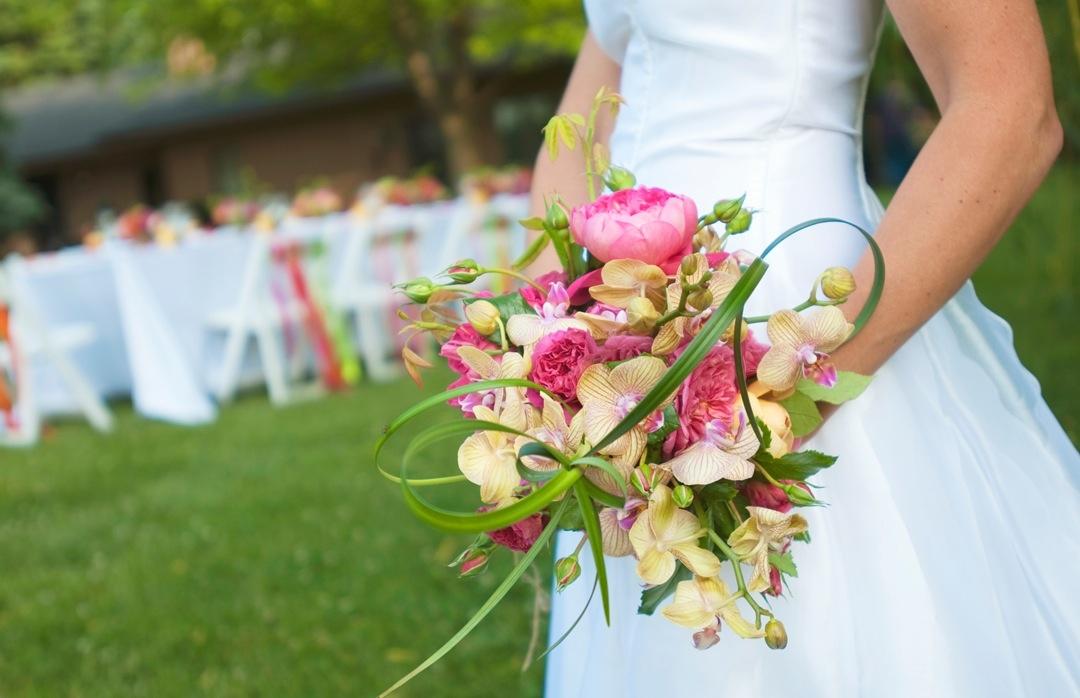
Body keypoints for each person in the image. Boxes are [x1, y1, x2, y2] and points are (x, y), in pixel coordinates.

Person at [532, 1, 1079, 695]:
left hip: (799, 308)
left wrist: (790, 393)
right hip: (627, 343)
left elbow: (1008, 107)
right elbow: (582, 127)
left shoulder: (797, 363)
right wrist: (545, 341)